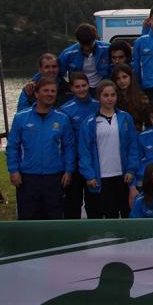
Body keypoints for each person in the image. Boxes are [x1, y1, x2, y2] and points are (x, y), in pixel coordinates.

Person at [6, 78, 75, 220]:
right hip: (27, 177)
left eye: (53, 91)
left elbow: (69, 147)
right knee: (28, 218)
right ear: (37, 94)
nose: (50, 94)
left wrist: (68, 170)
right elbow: (12, 147)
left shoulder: (63, 119)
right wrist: (13, 170)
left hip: (54, 177)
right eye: (46, 91)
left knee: (54, 218)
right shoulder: (21, 118)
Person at [78, 80, 139, 218]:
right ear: (99, 97)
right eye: (106, 95)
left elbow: (133, 147)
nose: (110, 98)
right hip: (102, 177)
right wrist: (89, 175)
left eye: (113, 95)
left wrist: (131, 169)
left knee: (127, 214)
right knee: (109, 215)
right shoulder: (89, 122)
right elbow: (84, 152)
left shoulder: (125, 118)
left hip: (123, 176)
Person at [59, 72, 100, 219]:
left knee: (94, 201)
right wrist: (68, 167)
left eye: (84, 85)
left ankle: (95, 228)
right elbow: (65, 141)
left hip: (94, 161)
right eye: (77, 86)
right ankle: (73, 229)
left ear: (89, 85)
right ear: (72, 88)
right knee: (73, 201)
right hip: (75, 161)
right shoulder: (65, 110)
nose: (81, 89)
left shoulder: (98, 106)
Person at [58, 23, 110, 93]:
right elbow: (57, 73)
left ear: (94, 39)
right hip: (79, 90)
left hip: (102, 87)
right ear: (78, 41)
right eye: (83, 45)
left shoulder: (107, 48)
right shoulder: (67, 54)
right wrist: (67, 87)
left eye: (89, 45)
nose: (86, 48)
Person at [112, 63, 149, 131]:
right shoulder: (112, 97)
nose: (122, 81)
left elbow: (146, 120)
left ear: (131, 77)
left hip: (136, 132)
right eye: (118, 78)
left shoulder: (142, 97)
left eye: (125, 77)